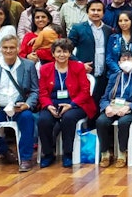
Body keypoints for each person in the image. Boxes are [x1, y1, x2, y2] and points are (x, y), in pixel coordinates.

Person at [0, 35, 38, 172]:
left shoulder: (28, 65)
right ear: (0, 49)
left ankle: (26, 158)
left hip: (19, 108)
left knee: (28, 118)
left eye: (12, 47)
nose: (8, 50)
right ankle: (4, 151)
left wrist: (27, 105)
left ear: (18, 48)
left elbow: (34, 91)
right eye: (5, 48)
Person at [37, 39, 96, 168]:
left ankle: (68, 153)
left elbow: (85, 91)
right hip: (52, 104)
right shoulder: (45, 69)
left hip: (75, 103)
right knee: (43, 120)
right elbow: (42, 93)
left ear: (70, 53)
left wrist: (71, 105)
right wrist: (48, 106)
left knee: (68, 118)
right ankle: (48, 154)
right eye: (58, 52)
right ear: (53, 54)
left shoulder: (78, 67)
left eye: (65, 51)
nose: (61, 55)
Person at [96, 51, 132, 167]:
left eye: (128, 59)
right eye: (123, 60)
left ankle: (121, 152)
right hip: (114, 107)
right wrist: (107, 107)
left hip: (131, 109)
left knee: (123, 122)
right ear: (119, 63)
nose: (126, 62)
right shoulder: (114, 77)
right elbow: (104, 97)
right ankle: (105, 153)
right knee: (101, 121)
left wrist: (128, 107)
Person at [68, 0, 112, 107]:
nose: (96, 12)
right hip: (85, 72)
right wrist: (79, 64)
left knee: (99, 101)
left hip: (103, 73)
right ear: (87, 12)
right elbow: (67, 50)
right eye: (93, 10)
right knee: (85, 103)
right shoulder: (78, 28)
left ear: (103, 13)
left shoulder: (108, 30)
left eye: (99, 10)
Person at [105, 11, 132, 78]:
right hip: (116, 75)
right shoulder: (113, 38)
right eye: (120, 21)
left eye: (126, 20)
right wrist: (118, 71)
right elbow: (109, 58)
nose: (123, 23)